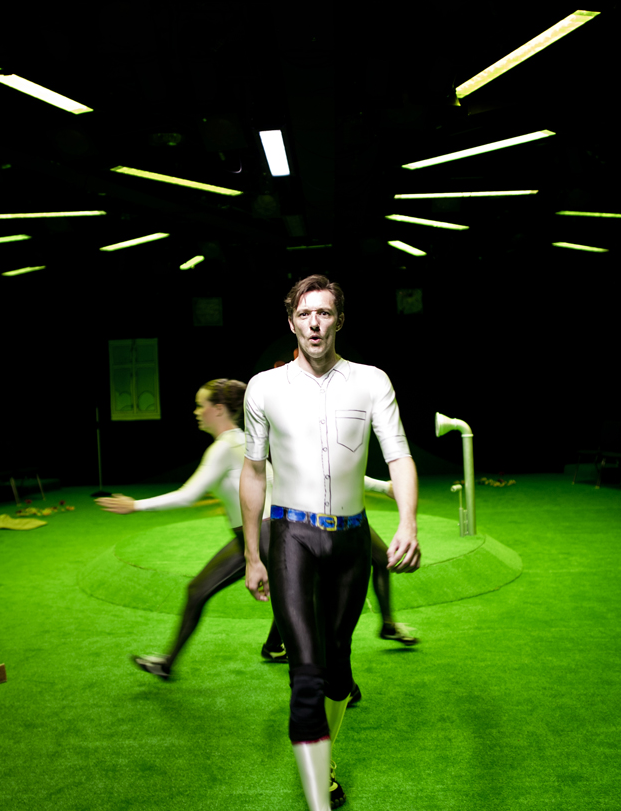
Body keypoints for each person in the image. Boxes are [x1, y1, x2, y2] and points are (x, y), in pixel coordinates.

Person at [240, 274, 421, 811]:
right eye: (304, 314)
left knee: (338, 670)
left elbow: (400, 457)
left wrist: (408, 523)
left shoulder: (371, 381)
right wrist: (252, 555)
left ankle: (326, 757)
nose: (314, 323)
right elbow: (253, 472)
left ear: (339, 320)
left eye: (324, 313)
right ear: (291, 322)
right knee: (306, 676)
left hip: (350, 542)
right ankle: (319, 799)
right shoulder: (263, 388)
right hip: (290, 537)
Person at [96, 379, 275, 681]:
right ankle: (167, 664)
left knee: (297, 605)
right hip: (259, 533)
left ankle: (329, 677)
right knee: (198, 590)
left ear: (218, 409)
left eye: (200, 405)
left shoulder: (223, 447)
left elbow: (188, 496)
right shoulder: (243, 440)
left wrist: (135, 505)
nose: (196, 412)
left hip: (265, 535)